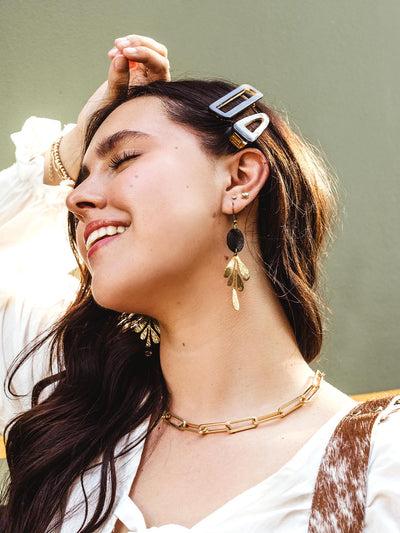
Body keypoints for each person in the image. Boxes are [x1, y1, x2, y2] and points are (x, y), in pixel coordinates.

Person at [0, 34, 399, 533]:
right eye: (81, 177)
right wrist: (68, 149)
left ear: (238, 180)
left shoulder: (381, 466)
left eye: (123, 160)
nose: (76, 198)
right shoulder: (70, 399)